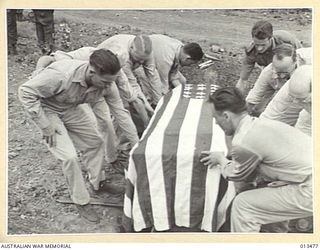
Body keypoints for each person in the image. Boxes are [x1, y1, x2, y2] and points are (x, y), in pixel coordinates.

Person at [18, 49, 125, 223]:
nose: (107, 87)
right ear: (92, 72)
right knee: (69, 157)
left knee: (95, 142)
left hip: (70, 107)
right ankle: (81, 201)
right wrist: (45, 126)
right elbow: (25, 92)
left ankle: (98, 183)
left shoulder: (104, 82)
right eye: (105, 82)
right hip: (47, 109)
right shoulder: (61, 75)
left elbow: (116, 109)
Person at [200, 87, 312, 232]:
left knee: (243, 205)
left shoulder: (243, 140)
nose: (216, 123)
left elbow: (236, 175)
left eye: (216, 118)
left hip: (309, 189)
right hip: (305, 175)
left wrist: (221, 159)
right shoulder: (262, 123)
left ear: (226, 116)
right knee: (266, 188)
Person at [33, 46, 139, 169]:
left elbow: (122, 113)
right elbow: (47, 59)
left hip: (95, 93)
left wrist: (136, 144)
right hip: (71, 91)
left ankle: (111, 159)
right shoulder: (82, 58)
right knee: (84, 137)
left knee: (106, 123)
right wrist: (39, 70)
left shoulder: (113, 77)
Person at [98, 34, 158, 129]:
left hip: (119, 71)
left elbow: (153, 76)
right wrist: (146, 105)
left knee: (136, 101)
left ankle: (138, 126)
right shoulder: (123, 55)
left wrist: (158, 102)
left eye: (144, 59)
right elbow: (132, 84)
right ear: (131, 48)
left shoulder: (147, 52)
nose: (142, 62)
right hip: (104, 72)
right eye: (138, 59)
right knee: (123, 105)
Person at [236, 20, 302, 93]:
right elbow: (243, 80)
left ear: (271, 38)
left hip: (290, 67)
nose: (259, 49)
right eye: (257, 44)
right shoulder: (251, 51)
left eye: (263, 45)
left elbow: (301, 58)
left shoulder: (285, 39)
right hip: (271, 69)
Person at [246, 44, 311, 116]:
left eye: (284, 72)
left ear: (295, 62)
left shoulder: (310, 62)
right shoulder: (269, 71)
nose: (281, 76)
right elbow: (253, 97)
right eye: (277, 71)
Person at [136, 34, 204, 103]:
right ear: (187, 58)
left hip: (158, 56)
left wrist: (184, 94)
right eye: (191, 63)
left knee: (183, 81)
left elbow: (173, 75)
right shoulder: (167, 59)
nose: (189, 66)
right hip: (141, 60)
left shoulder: (181, 48)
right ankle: (149, 104)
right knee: (156, 93)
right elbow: (163, 84)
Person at [261, 65, 312, 136]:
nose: (295, 102)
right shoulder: (297, 85)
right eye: (293, 97)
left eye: (302, 100)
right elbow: (269, 118)